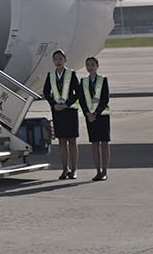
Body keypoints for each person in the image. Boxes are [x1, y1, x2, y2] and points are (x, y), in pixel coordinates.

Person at [40, 50, 83, 180]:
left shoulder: (71, 74)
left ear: (65, 60)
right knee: (62, 142)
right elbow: (46, 92)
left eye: (60, 59)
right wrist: (53, 104)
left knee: (72, 141)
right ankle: (65, 169)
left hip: (69, 111)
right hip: (58, 112)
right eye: (56, 59)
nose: (58, 61)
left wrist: (67, 104)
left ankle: (74, 170)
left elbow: (78, 92)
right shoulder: (51, 75)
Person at [85, 64, 113, 181]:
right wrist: (88, 113)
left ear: (97, 66)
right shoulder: (84, 81)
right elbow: (82, 99)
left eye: (92, 65)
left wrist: (95, 114)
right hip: (90, 117)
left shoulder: (103, 80)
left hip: (102, 115)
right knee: (95, 143)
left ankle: (105, 171)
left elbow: (105, 98)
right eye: (88, 65)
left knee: (104, 143)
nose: (90, 67)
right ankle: (98, 171)